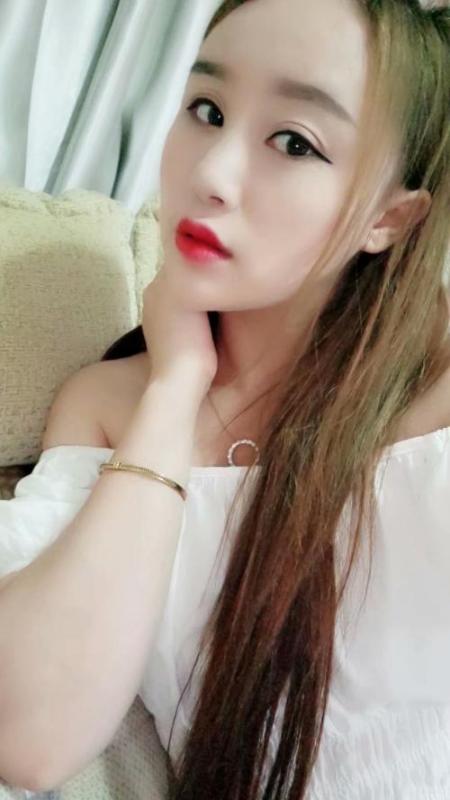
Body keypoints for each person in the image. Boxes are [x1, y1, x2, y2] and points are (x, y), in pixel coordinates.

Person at [0, 0, 449, 797]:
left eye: (294, 142)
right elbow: (27, 736)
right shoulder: (113, 403)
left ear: (389, 217)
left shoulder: (435, 396)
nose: (208, 175)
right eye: (206, 110)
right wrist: (175, 388)